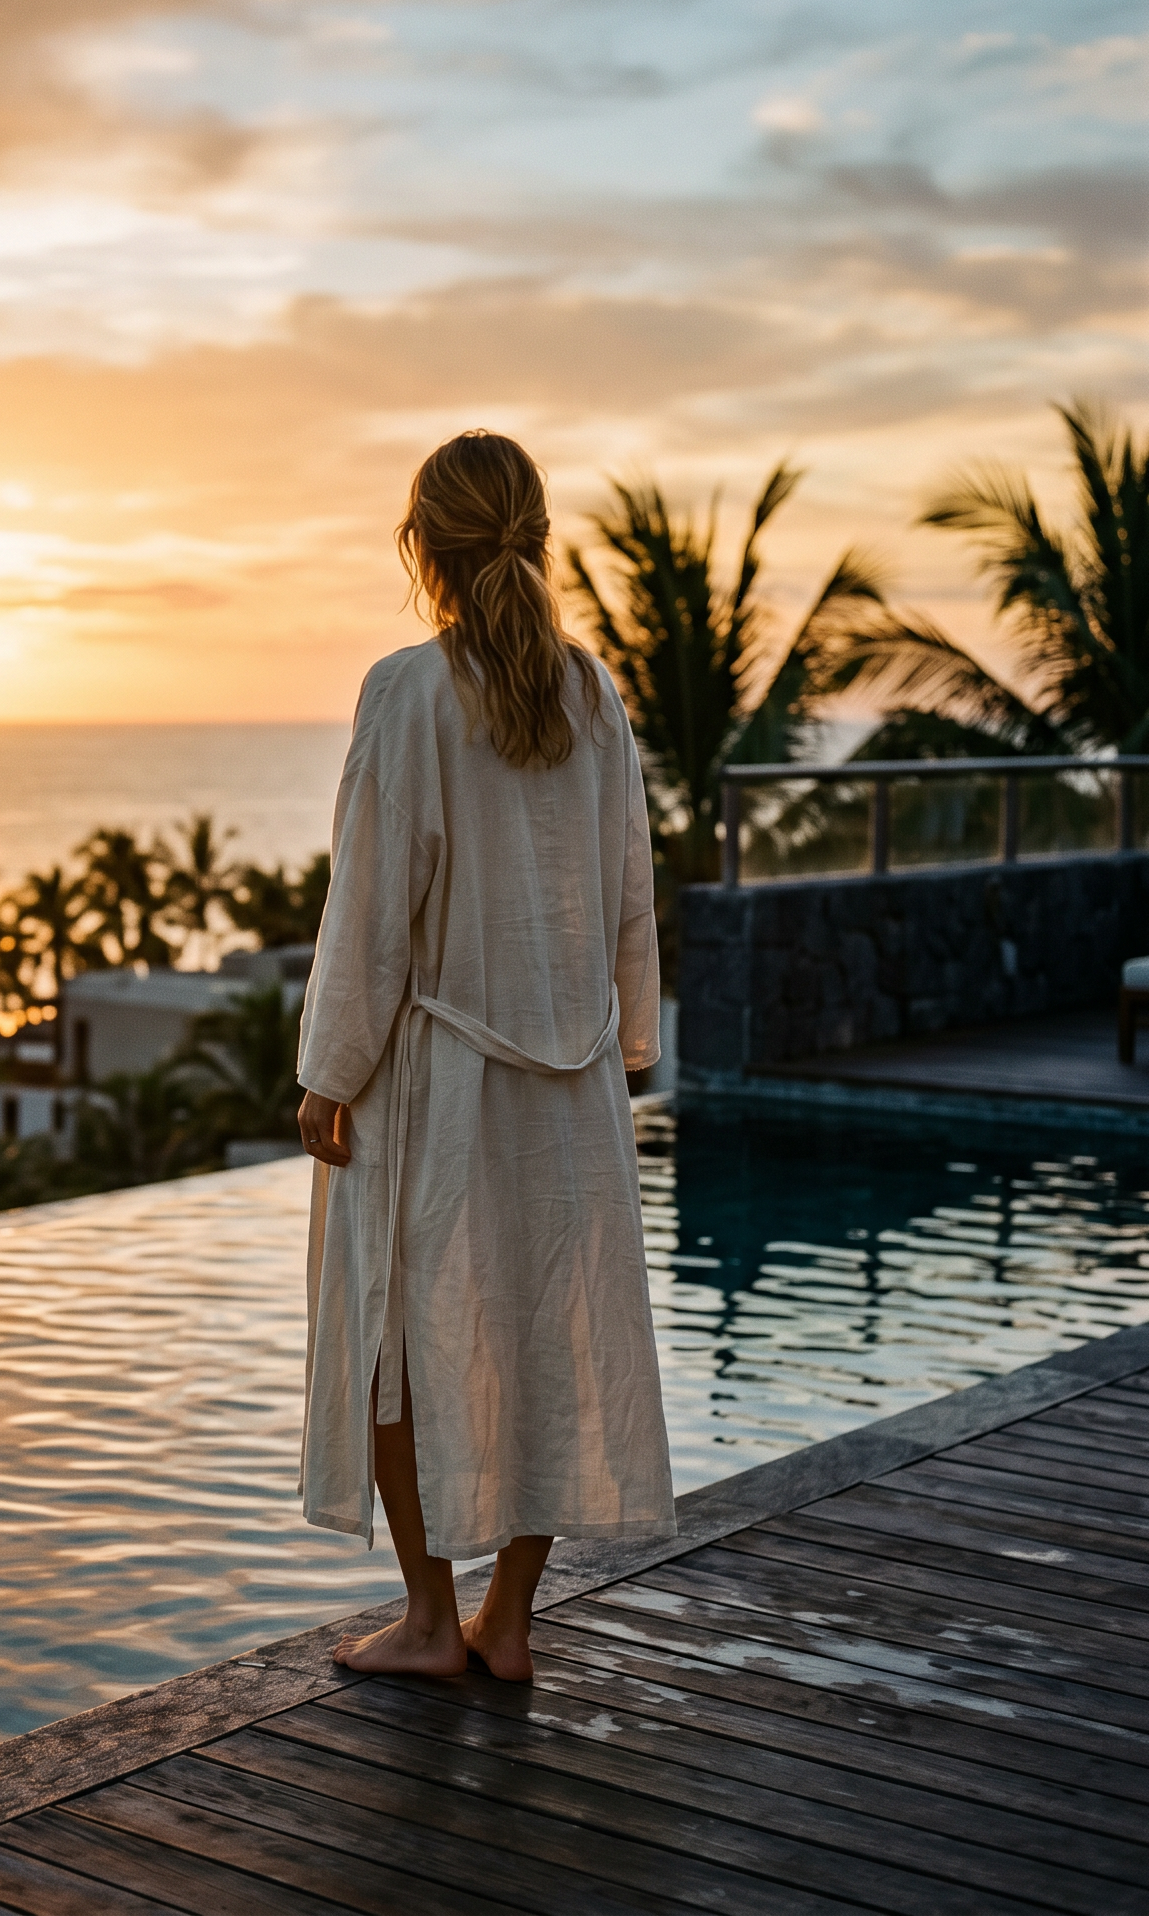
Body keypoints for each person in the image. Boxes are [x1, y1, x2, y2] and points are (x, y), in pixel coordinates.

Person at [295, 429, 676, 1682]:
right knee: (547, 1332)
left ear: (423, 547)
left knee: (399, 1337)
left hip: (438, 1084)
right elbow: (627, 889)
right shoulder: (591, 693)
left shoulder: (407, 692)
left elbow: (369, 903)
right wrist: (623, 1039)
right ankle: (505, 1619)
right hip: (567, 1081)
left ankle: (427, 1617)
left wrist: (329, 1066)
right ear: (536, 537)